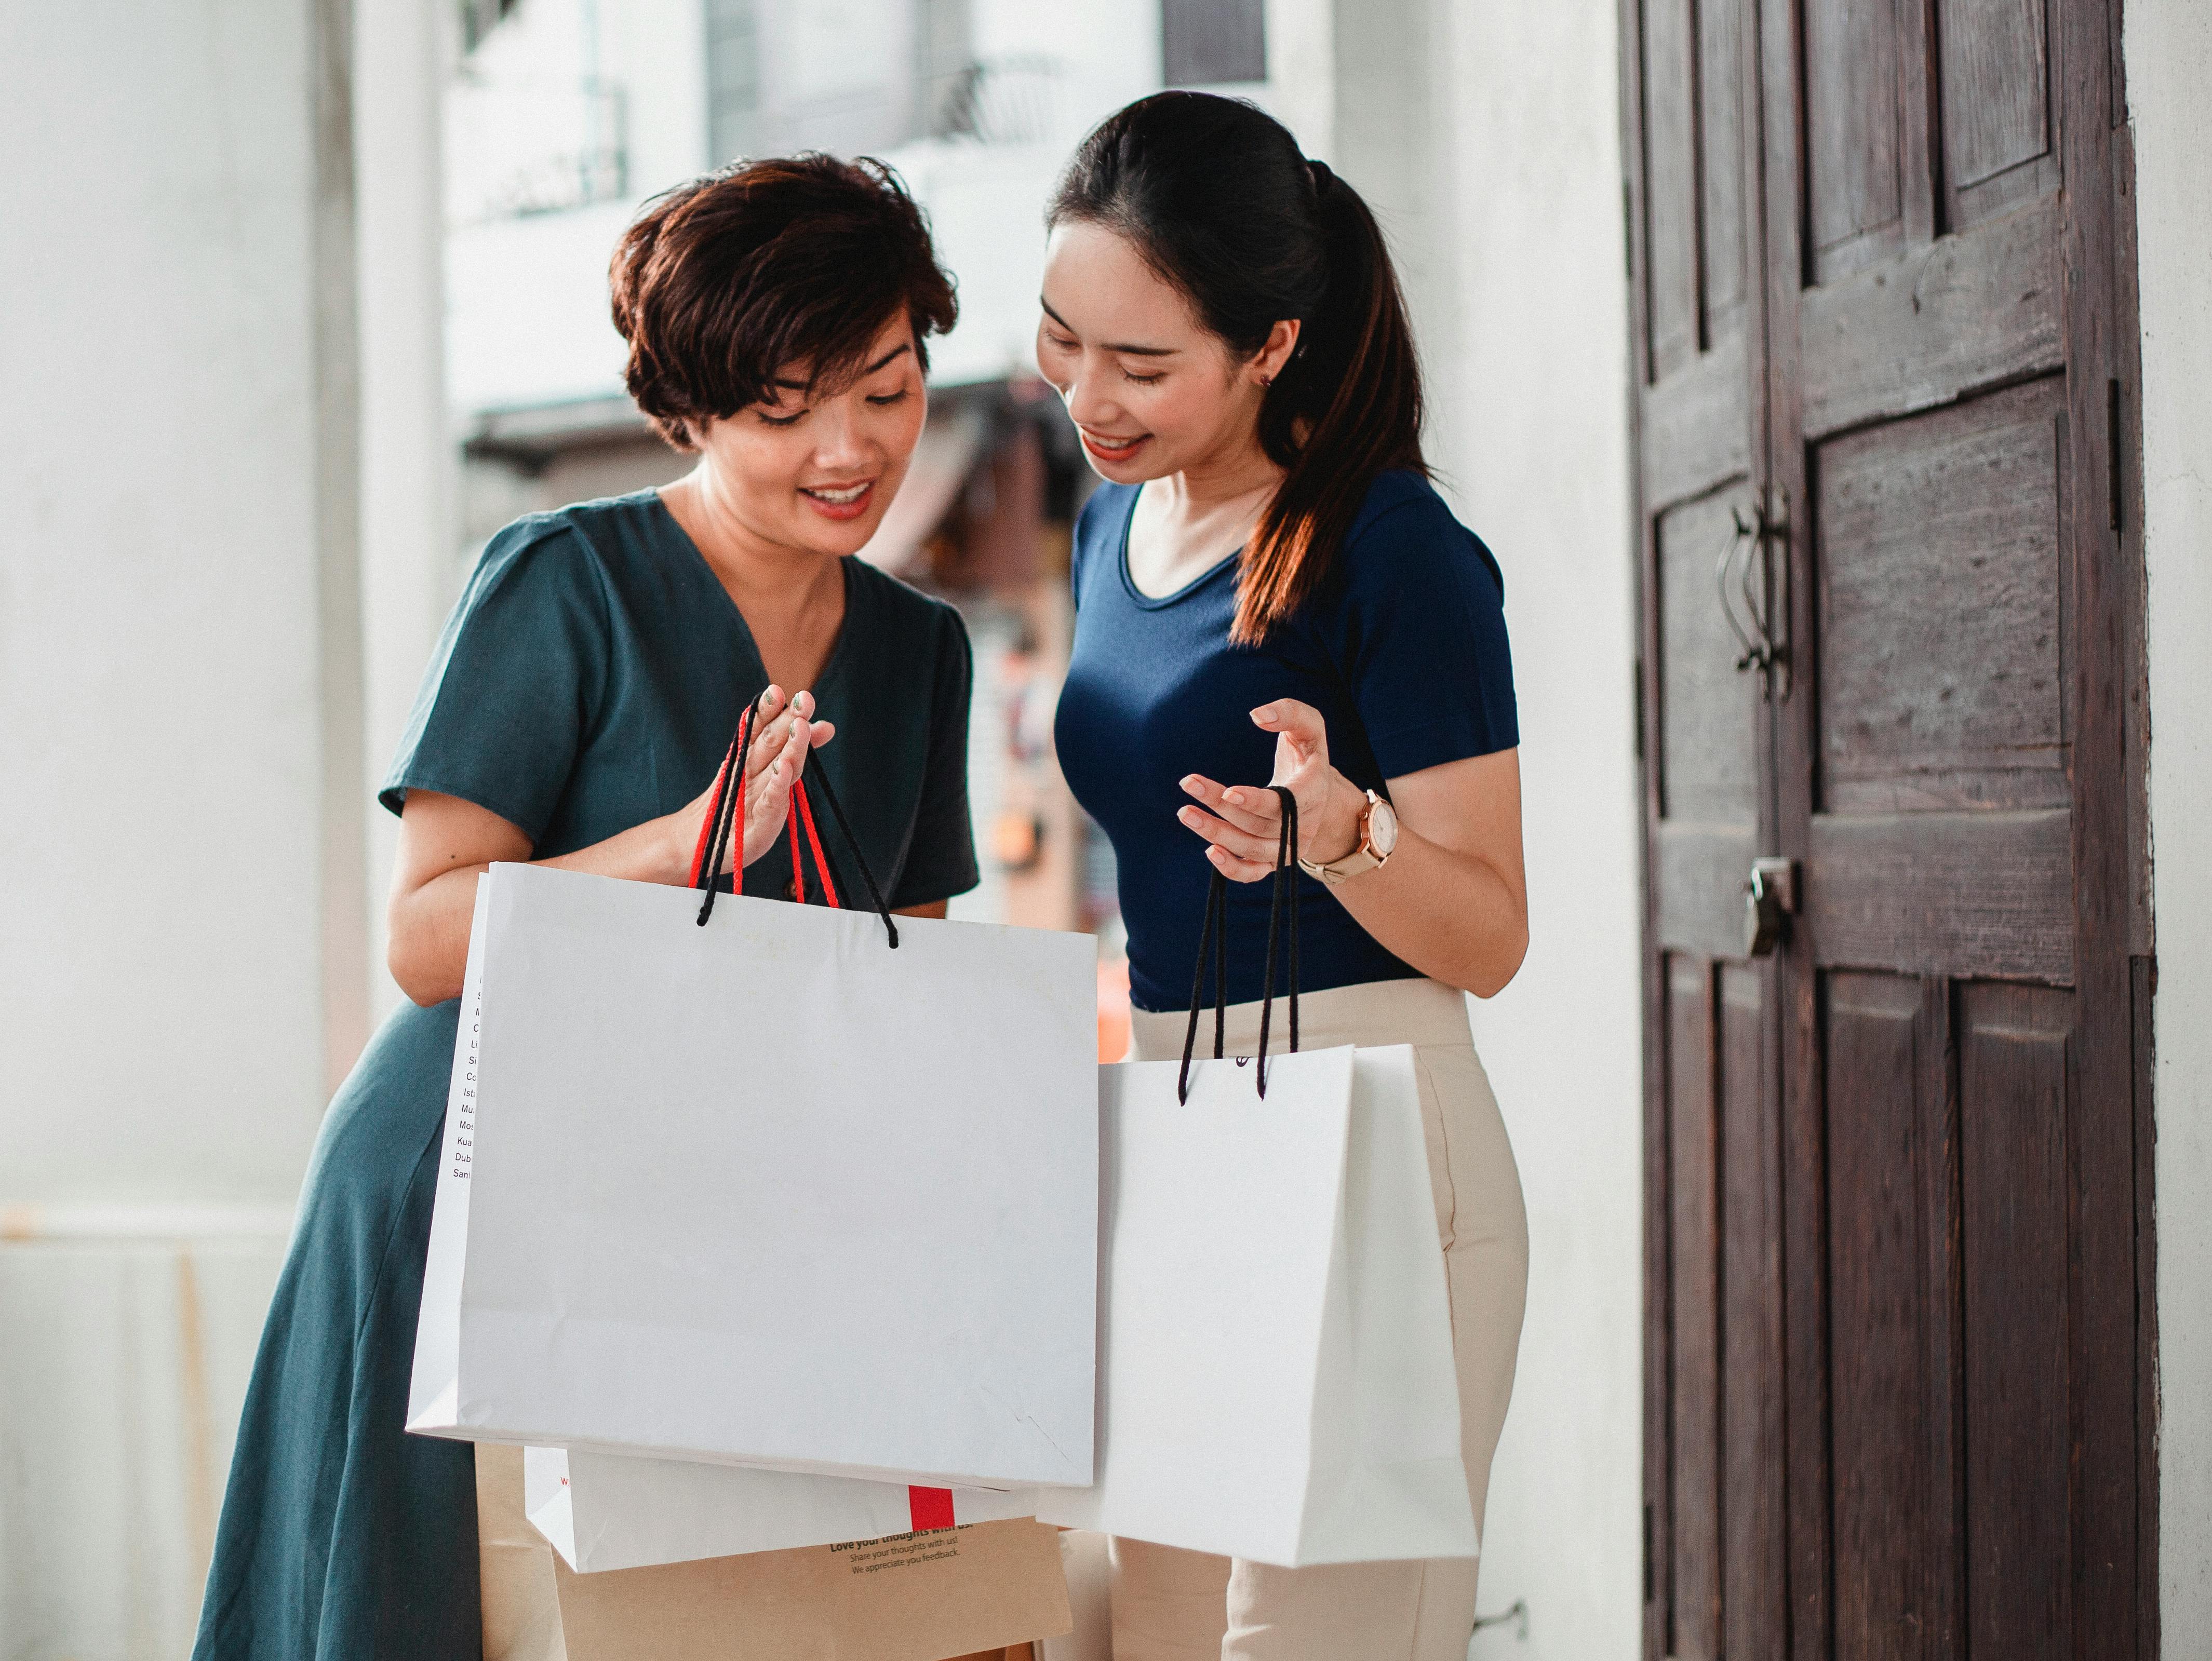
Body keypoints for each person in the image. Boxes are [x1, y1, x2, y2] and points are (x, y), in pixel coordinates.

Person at [193, 154, 981, 1660]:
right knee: (447, 1610)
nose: (848, 448)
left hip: (719, 1210)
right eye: (783, 407)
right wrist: (686, 842)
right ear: (688, 409)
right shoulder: (563, 580)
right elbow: (424, 942)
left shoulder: (918, 652)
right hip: (471, 1193)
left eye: (884, 390)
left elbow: (902, 994)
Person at [1044, 92, 1531, 1660]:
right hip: (1181, 1128)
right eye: (1064, 343)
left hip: (1370, 1130)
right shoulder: (1110, 523)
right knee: (1166, 1637)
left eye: (1142, 364)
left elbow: (1494, 930)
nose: (1088, 401)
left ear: (1269, 345)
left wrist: (1347, 834)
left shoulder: (1396, 549)